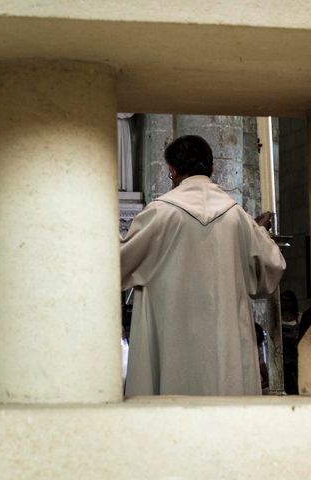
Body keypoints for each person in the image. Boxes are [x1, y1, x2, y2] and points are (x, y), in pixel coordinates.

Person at [121, 135, 286, 396]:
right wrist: (259, 233)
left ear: (172, 170)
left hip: (169, 347)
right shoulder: (237, 216)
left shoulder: (160, 213)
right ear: (211, 168)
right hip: (225, 353)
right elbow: (273, 267)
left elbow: (118, 264)